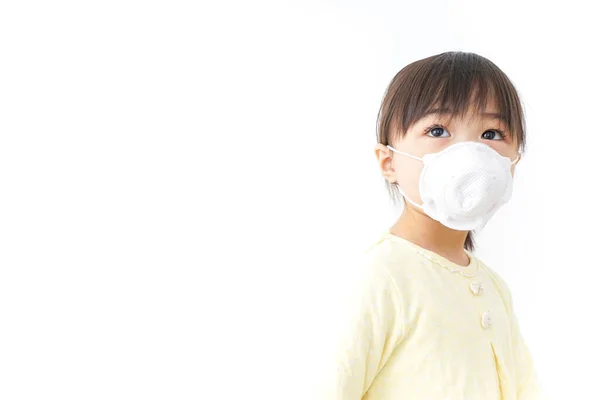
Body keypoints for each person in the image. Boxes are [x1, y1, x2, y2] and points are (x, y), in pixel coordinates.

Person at [320, 52, 546, 399]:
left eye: (491, 133)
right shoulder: (382, 277)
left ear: (515, 159)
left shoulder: (495, 289)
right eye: (438, 130)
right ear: (389, 161)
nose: (470, 152)